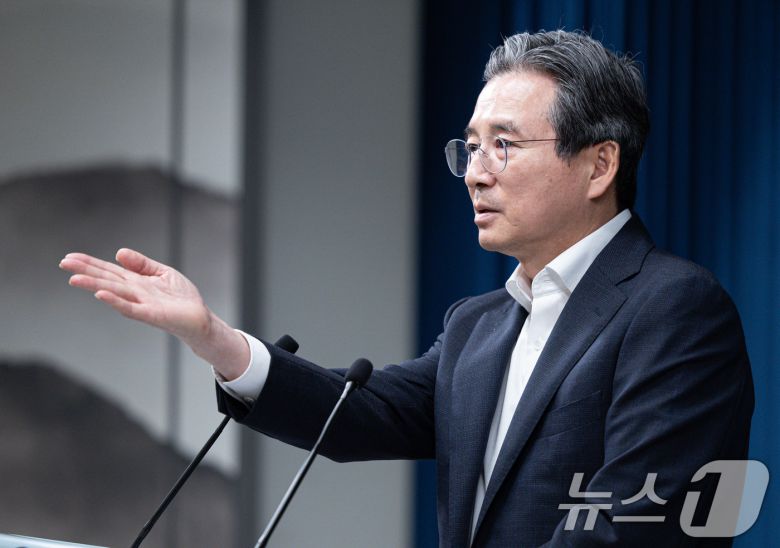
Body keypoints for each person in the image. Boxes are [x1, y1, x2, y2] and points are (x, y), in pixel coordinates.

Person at [60, 30, 753, 547]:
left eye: (504, 145)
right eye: (471, 147)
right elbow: (355, 415)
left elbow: (639, 525)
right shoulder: (479, 323)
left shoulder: (674, 309)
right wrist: (213, 338)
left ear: (600, 165)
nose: (476, 173)